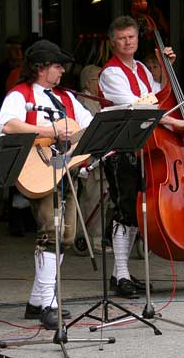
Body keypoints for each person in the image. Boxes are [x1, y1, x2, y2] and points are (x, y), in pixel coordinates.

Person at [0, 39, 93, 330]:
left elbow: (88, 123)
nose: (62, 70)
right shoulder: (20, 94)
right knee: (52, 230)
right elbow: (8, 125)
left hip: (66, 170)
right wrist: (49, 130)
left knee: (67, 234)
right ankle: (48, 303)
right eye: (56, 65)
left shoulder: (66, 98)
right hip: (37, 169)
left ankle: (37, 301)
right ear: (40, 68)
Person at [99, 15, 184, 299]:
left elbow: (159, 97)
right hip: (120, 149)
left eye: (132, 37)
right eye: (122, 38)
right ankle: (120, 275)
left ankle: (122, 274)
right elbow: (141, 108)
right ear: (112, 42)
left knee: (134, 213)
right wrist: (176, 124)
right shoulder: (111, 73)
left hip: (143, 148)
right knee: (125, 209)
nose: (128, 42)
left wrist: (167, 70)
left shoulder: (141, 68)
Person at [76, 64, 110, 254]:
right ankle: (92, 238)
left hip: (102, 156)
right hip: (90, 159)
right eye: (99, 78)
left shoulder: (98, 100)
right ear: (89, 82)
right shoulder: (83, 101)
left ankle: (95, 236)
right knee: (93, 198)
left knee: (102, 198)